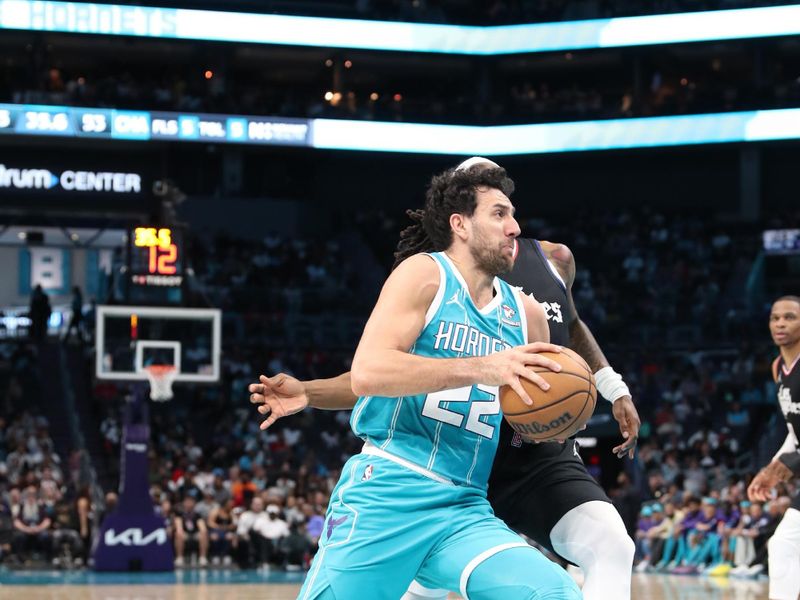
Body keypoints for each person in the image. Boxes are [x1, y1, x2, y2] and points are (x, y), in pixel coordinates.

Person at [250, 158, 639, 599]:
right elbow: (370, 372)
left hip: (465, 508)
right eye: (498, 214)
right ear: (461, 224)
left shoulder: (526, 314)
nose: (514, 227)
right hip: (391, 491)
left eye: (513, 214)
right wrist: (486, 367)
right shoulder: (423, 275)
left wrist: (569, 410)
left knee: (554, 592)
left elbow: (546, 383)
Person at [747, 295, 800, 600]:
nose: (780, 323)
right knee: (783, 545)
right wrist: (770, 470)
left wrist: (790, 464)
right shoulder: (779, 367)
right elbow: (795, 433)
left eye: (790, 317)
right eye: (775, 317)